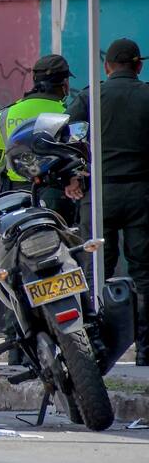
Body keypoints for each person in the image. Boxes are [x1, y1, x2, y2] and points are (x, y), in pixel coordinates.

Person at [0, 54, 75, 365]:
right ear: (64, 85)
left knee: (15, 272)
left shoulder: (7, 116)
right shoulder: (68, 112)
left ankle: (18, 348)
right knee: (64, 263)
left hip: (15, 202)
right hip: (59, 197)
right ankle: (73, 338)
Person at [64, 38, 149, 366]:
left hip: (99, 195)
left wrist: (73, 177)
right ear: (138, 66)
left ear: (107, 67)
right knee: (144, 274)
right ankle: (146, 351)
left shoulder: (89, 96)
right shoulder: (146, 95)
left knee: (96, 271)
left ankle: (95, 347)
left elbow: (69, 139)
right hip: (142, 194)